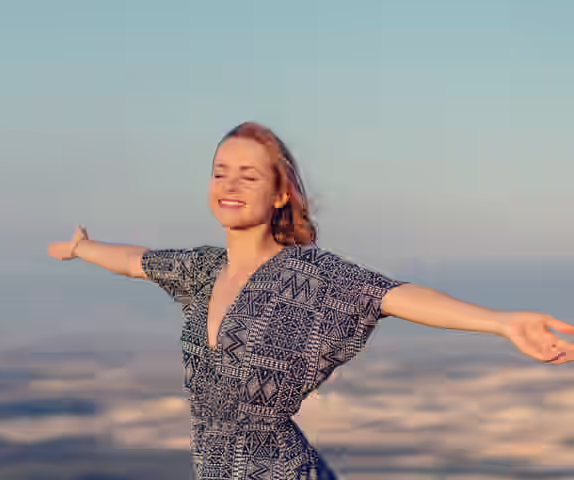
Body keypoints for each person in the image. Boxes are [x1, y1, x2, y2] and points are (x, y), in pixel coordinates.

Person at [46, 121, 573, 480]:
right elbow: (137, 260)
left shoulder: (308, 274)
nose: (229, 184)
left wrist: (500, 322)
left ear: (279, 194)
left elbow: (392, 295)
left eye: (248, 175)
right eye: (219, 172)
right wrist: (82, 247)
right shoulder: (201, 270)